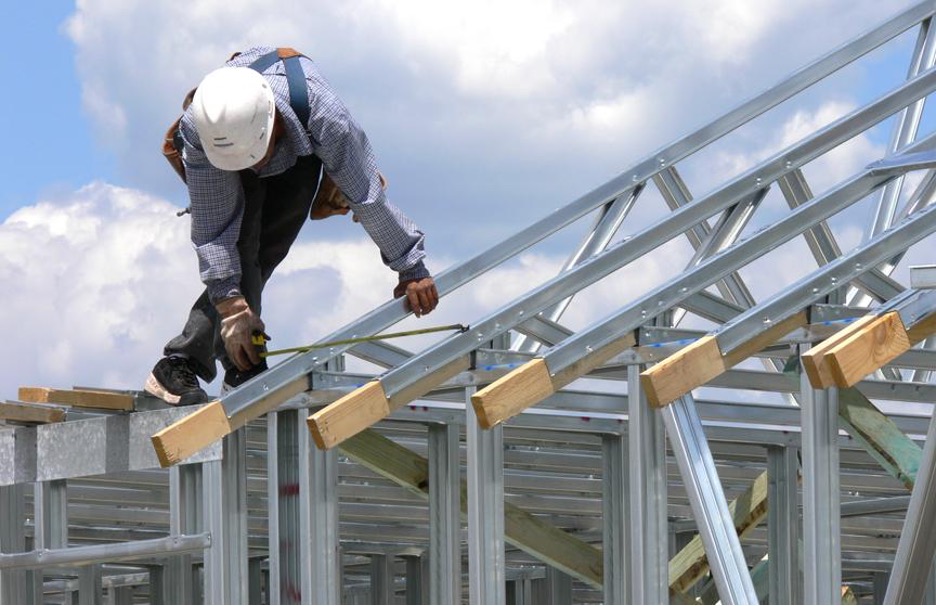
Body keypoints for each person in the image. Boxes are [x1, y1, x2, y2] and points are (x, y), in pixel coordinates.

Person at [144, 46, 439, 406]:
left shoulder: (326, 117)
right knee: (240, 245)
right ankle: (192, 364)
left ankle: (234, 367)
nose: (253, 169)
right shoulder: (201, 130)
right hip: (220, 155)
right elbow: (214, 233)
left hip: (302, 148)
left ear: (273, 124)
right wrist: (231, 307)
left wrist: (411, 267)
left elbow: (367, 196)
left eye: (256, 157)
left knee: (270, 247)